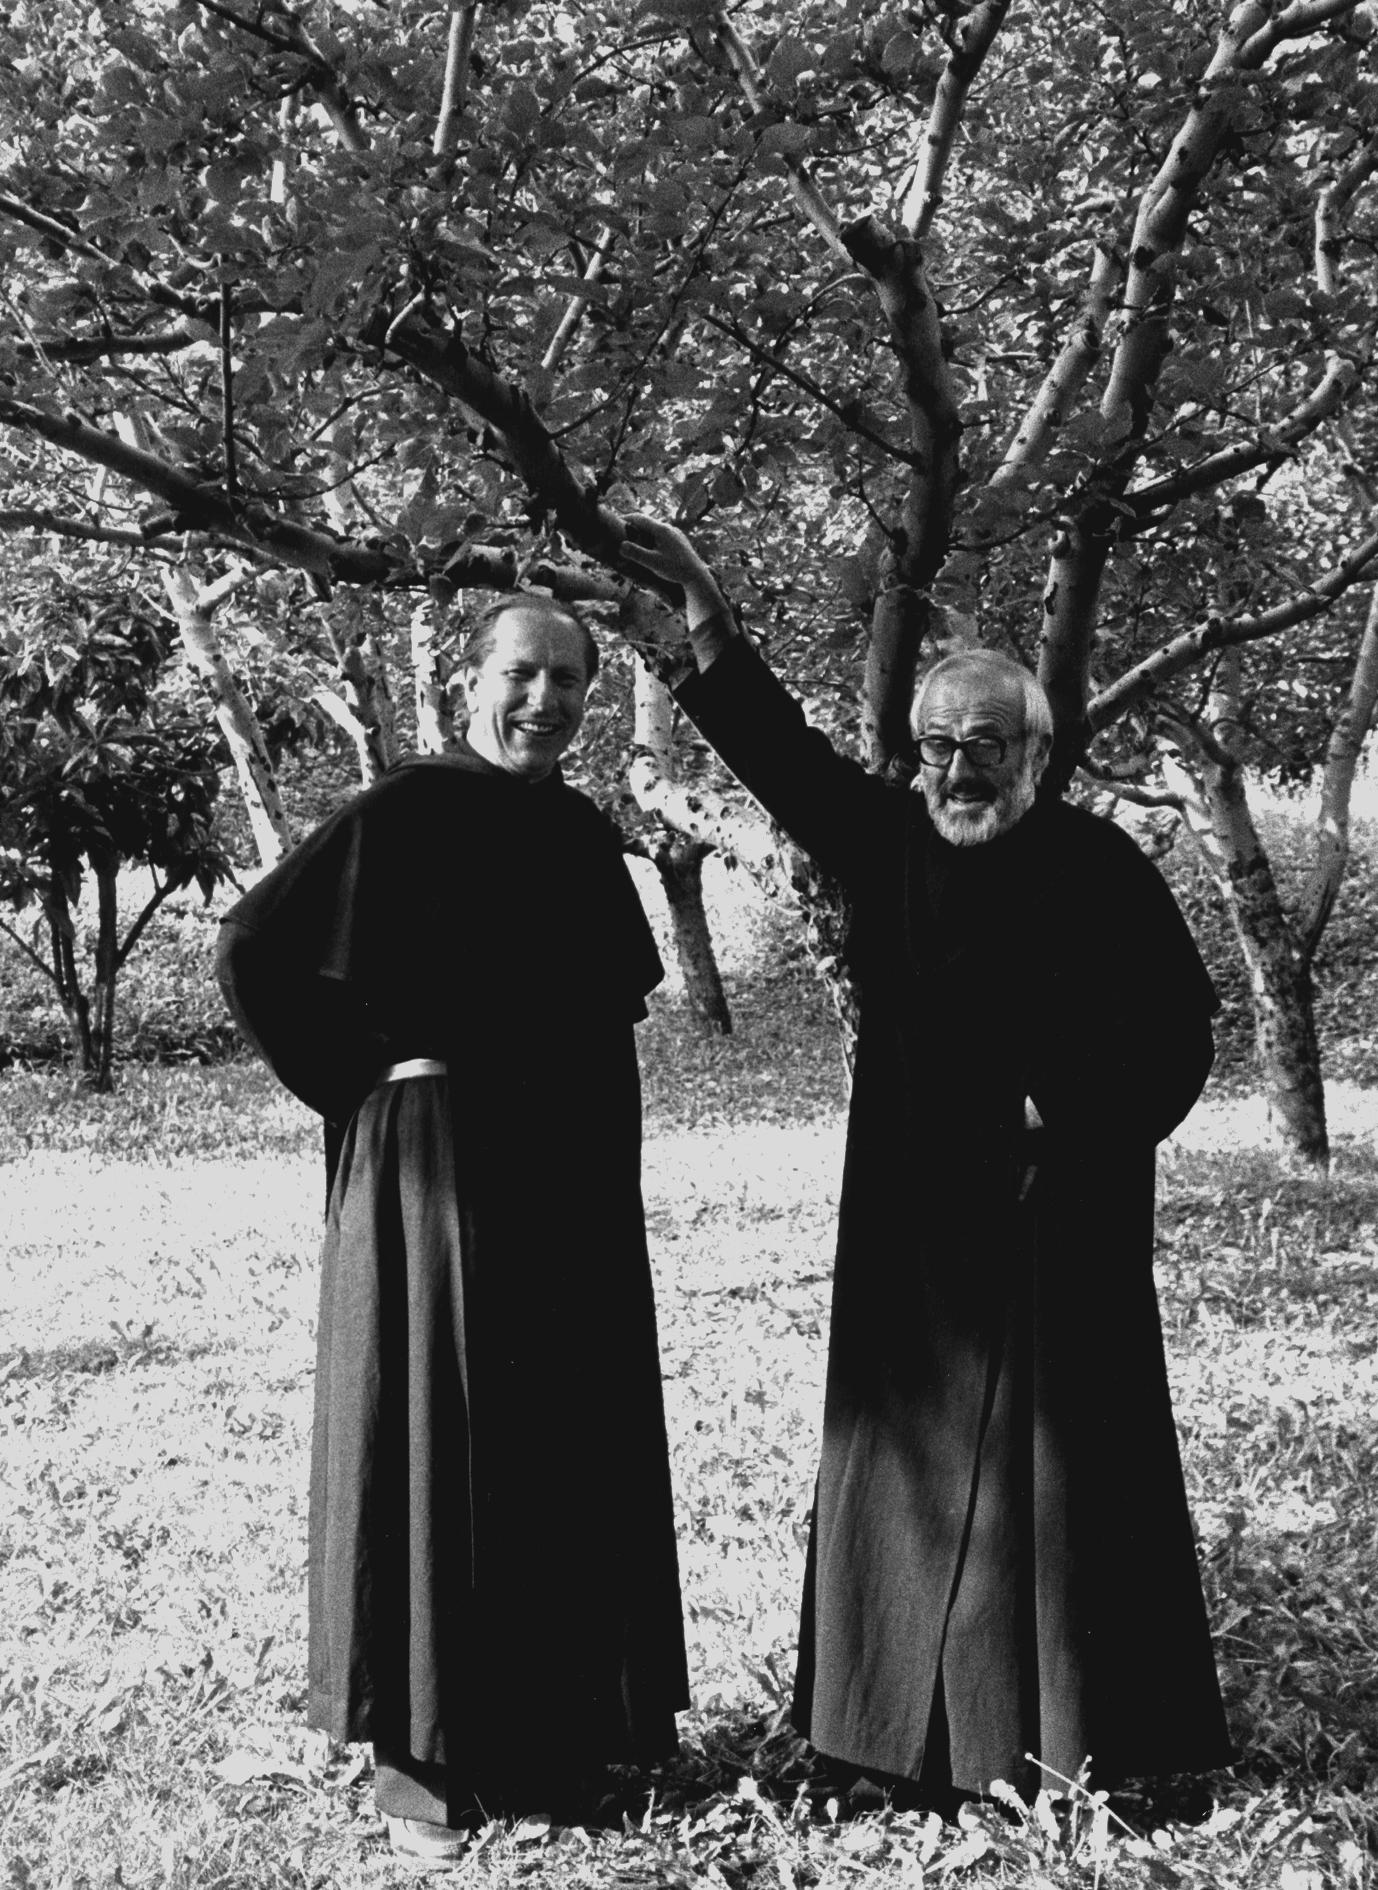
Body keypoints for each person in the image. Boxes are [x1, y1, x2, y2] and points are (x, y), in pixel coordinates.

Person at [620, 519, 1232, 1807]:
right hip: (912, 1227)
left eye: (983, 747)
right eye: (937, 747)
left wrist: (1064, 1120)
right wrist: (710, 623)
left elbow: (1181, 1036)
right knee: (905, 1479)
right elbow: (780, 759)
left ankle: (1076, 1739)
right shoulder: (888, 838)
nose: (956, 770)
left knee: (1060, 1481)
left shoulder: (1101, 866)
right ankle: (890, 1743)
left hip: (1060, 1221)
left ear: (1036, 754)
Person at [217, 597, 688, 1866]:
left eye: (572, 684)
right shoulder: (402, 811)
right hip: (436, 1178)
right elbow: (256, 943)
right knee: (440, 1443)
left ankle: (561, 1745)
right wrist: (367, 1075)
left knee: (558, 1444)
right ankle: (425, 1775)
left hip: (566, 1179)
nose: (547, 702)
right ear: (470, 681)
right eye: (524, 675)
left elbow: (605, 1013)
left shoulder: (584, 833)